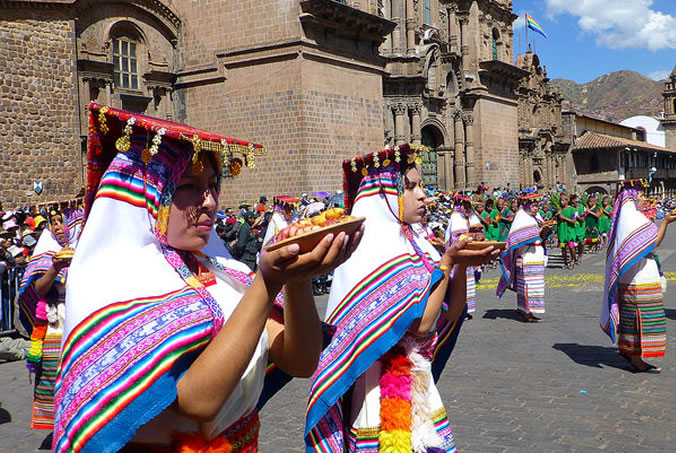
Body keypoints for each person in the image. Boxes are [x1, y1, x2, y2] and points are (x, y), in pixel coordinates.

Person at [53, 104, 361, 453]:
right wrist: (268, 282)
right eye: (188, 186)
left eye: (213, 186)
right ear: (149, 194)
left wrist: (297, 277)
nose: (210, 202)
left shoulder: (230, 275)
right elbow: (197, 401)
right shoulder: (115, 285)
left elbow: (300, 361)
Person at [305, 144, 498, 452]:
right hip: (377, 394)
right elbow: (422, 326)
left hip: (419, 385)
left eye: (421, 185)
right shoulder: (371, 250)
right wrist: (447, 262)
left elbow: (451, 312)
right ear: (384, 196)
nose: (423, 194)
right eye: (410, 187)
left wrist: (459, 264)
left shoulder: (417, 245)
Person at [16, 206, 82, 433]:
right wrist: (55, 267)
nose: (57, 227)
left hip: (82, 318)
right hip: (55, 322)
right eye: (52, 222)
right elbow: (39, 289)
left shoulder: (87, 247)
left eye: (61, 221)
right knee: (52, 375)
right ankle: (59, 427)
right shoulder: (47, 252)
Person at [602, 180, 675, 373]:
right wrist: (666, 222)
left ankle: (631, 352)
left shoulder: (630, 218)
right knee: (639, 318)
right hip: (638, 279)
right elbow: (654, 243)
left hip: (635, 276)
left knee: (632, 317)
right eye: (641, 196)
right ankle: (636, 358)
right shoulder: (633, 219)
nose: (645, 200)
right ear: (632, 198)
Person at [497, 194, 551, 322]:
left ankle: (528, 310)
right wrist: (540, 230)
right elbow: (518, 237)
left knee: (535, 284)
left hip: (536, 254)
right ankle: (525, 310)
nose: (536, 208)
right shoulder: (521, 217)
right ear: (527, 205)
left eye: (537, 206)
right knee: (527, 285)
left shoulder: (533, 218)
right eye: (534, 206)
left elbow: (539, 236)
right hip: (526, 256)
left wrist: (545, 231)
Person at [445, 193, 478, 317]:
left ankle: (467, 308)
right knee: (459, 283)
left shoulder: (468, 218)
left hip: (468, 256)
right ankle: (460, 308)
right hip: (459, 256)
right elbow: (456, 239)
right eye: (465, 206)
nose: (468, 209)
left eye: (469, 206)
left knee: (468, 282)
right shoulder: (456, 218)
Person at [556, 194, 577, 269]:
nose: (561, 202)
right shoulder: (559, 210)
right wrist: (556, 215)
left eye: (563, 200)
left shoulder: (572, 210)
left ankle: (572, 260)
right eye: (560, 201)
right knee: (563, 247)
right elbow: (555, 220)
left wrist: (563, 217)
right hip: (562, 230)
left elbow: (574, 221)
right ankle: (565, 262)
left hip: (570, 230)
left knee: (571, 246)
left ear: (567, 201)